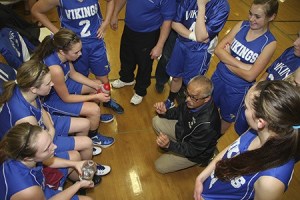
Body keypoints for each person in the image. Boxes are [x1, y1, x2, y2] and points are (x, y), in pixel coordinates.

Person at [0, 59, 110, 176]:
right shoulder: (25, 118)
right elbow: (39, 149)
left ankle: (82, 151)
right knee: (87, 143)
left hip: (43, 128)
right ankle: (84, 172)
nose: (52, 84)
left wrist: (51, 128)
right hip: (35, 145)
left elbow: (40, 109)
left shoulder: (26, 90)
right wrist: (50, 132)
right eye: (48, 83)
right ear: (34, 88)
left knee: (86, 124)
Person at [194, 80, 300, 200]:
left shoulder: (271, 181)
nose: (244, 110)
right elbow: (230, 151)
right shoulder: (258, 130)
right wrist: (202, 177)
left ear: (260, 121)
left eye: (246, 107)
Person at [31, 0, 124, 114]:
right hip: (72, 48)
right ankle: (88, 111)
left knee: (103, 80)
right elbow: (36, 10)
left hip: (96, 43)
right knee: (81, 81)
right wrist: (56, 32)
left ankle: (106, 101)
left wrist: (106, 22)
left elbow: (110, 1)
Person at [31, 29, 115, 150]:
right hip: (52, 98)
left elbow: (73, 74)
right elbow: (66, 98)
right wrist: (95, 97)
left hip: (63, 84)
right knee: (94, 109)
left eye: (80, 50)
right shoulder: (55, 69)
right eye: (76, 52)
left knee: (96, 84)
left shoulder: (62, 55)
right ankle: (94, 136)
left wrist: (95, 86)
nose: (80, 54)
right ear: (62, 52)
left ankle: (93, 118)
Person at [211, 0, 278, 135]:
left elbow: (250, 76)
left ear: (271, 17)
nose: (251, 19)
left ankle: (211, 143)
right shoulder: (241, 25)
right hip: (218, 77)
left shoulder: (270, 43)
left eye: (257, 17)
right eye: (250, 14)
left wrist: (227, 59)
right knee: (207, 108)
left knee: (225, 119)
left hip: (237, 90)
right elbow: (218, 50)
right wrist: (243, 66)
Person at [0, 123, 94, 200]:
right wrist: (78, 185)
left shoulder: (19, 153)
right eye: (46, 149)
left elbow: (44, 161)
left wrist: (75, 164)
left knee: (75, 157)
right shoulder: (28, 190)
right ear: (28, 158)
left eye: (50, 141)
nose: (55, 147)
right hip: (40, 193)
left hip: (43, 186)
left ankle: (62, 187)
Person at [164, 0, 230, 109]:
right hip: (181, 44)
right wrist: (193, 36)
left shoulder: (222, 6)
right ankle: (170, 100)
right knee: (175, 77)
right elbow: (175, 23)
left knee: (192, 85)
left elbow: (202, 36)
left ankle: (186, 111)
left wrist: (201, 6)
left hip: (200, 51)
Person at [110, 0, 176, 105]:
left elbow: (167, 21)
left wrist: (159, 45)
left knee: (144, 65)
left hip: (148, 35)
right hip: (129, 29)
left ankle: (140, 91)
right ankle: (127, 78)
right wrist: (115, 14)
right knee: (126, 56)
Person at [234, 31, 300, 136]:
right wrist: (255, 90)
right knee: (241, 133)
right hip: (257, 102)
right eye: (298, 36)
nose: (296, 43)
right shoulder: (291, 51)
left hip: (269, 117)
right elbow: (269, 71)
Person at [152, 75, 221, 173]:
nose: (187, 99)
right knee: (156, 121)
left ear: (207, 99)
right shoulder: (194, 100)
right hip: (184, 134)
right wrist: (165, 112)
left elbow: (193, 150)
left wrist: (169, 145)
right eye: (187, 93)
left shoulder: (207, 125)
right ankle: (174, 147)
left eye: (193, 97)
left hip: (194, 153)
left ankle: (204, 160)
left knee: (159, 166)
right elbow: (179, 111)